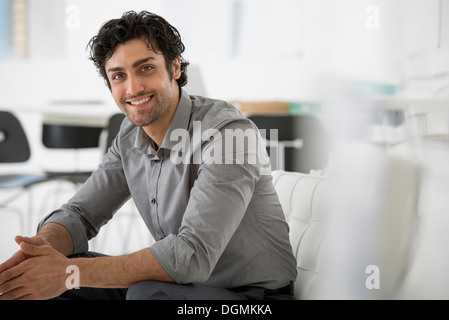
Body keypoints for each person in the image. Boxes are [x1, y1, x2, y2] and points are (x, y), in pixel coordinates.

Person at [0, 10, 297, 300]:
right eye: (118, 76)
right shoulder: (129, 137)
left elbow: (191, 255)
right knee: (56, 276)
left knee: (133, 289)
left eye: (146, 68)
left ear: (175, 68)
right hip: (180, 287)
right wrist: (39, 253)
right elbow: (81, 213)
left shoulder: (228, 135)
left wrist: (68, 272)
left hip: (253, 297)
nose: (133, 87)